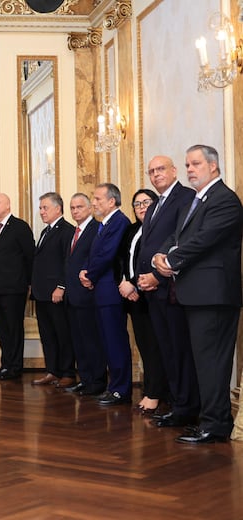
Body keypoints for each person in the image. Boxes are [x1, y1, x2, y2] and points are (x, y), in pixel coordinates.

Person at [154, 144, 243, 443]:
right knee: (203, 362)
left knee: (212, 362)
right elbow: (177, 236)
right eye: (187, 165)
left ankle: (216, 425)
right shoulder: (195, 200)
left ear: (213, 166)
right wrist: (159, 255)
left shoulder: (224, 200)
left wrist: (171, 261)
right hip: (196, 294)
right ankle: (209, 419)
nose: (190, 170)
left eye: (195, 164)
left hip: (214, 296)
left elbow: (203, 240)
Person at [135, 156, 199, 427]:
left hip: (172, 288)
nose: (156, 174)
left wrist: (156, 277)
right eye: (151, 171)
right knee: (166, 351)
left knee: (179, 351)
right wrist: (143, 279)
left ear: (174, 171)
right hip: (153, 292)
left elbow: (181, 241)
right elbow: (148, 246)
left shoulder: (186, 198)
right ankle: (175, 402)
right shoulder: (154, 206)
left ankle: (186, 407)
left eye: (161, 169)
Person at [79, 183, 132, 406]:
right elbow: (95, 253)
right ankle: (114, 387)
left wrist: (90, 275)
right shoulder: (105, 224)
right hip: (101, 291)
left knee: (115, 341)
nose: (94, 202)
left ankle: (120, 390)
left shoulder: (119, 222)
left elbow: (108, 254)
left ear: (112, 201)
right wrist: (85, 270)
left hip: (110, 291)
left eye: (98, 199)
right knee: (107, 342)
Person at [116, 189, 167, 414]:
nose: (141, 207)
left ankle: (155, 393)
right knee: (144, 346)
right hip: (132, 297)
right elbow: (121, 259)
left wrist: (135, 285)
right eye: (137, 204)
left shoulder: (159, 229)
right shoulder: (131, 230)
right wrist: (123, 283)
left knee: (155, 347)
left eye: (146, 202)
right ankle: (150, 389)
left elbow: (151, 264)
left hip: (151, 295)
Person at [0, 193, 34, 380]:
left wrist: (29, 283)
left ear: (8, 205)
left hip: (14, 289)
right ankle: (6, 366)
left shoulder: (20, 227)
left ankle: (15, 368)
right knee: (3, 330)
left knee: (14, 330)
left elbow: (30, 256)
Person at [30, 192, 75, 388]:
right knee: (47, 335)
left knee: (62, 334)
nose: (41, 211)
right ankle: (52, 371)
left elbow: (68, 262)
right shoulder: (45, 231)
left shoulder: (67, 230)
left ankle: (67, 373)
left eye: (45, 207)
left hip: (56, 294)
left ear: (58, 208)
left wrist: (61, 287)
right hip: (42, 293)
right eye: (40, 208)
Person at [63, 193, 105, 397]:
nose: (75, 211)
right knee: (79, 342)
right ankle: (85, 379)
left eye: (79, 207)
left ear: (89, 208)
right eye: (72, 208)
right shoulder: (75, 231)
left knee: (91, 341)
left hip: (88, 295)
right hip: (73, 296)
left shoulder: (96, 229)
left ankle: (97, 381)